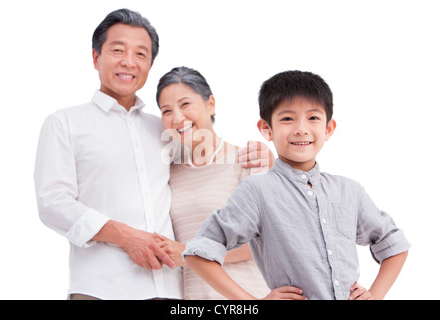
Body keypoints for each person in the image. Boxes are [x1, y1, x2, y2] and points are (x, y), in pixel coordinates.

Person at [33, 9, 271, 300]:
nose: (129, 62)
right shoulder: (66, 124)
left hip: (171, 289)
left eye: (140, 54)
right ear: (96, 58)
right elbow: (52, 203)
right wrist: (125, 236)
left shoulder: (162, 130)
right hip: (100, 288)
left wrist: (265, 157)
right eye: (118, 50)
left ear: (149, 65)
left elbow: (205, 157)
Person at [183, 70, 411, 300]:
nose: (301, 128)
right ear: (266, 129)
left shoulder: (349, 191)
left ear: (328, 128)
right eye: (287, 118)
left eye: (313, 118)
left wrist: (374, 295)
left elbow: (394, 245)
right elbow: (198, 253)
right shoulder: (257, 191)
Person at [154, 66, 271, 299]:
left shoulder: (249, 161)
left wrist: (189, 253)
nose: (177, 118)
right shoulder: (168, 173)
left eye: (185, 104)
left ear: (210, 104)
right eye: (167, 110)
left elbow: (264, 243)